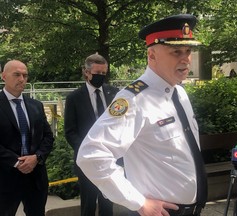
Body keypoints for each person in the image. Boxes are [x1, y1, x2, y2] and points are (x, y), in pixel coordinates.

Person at [77, 14, 208, 216]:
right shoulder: (133, 99)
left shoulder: (179, 93)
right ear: (152, 56)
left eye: (188, 51)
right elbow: (91, 156)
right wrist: (138, 202)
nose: (185, 59)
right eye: (176, 52)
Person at [64, 53, 119, 216]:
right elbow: (70, 131)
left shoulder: (114, 93)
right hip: (86, 159)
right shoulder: (74, 98)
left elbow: (120, 125)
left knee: (108, 203)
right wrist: (89, 151)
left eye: (104, 74)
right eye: (97, 73)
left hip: (110, 158)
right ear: (86, 73)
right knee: (88, 204)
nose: (100, 77)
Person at [0, 60, 54, 216]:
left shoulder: (35, 105)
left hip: (35, 177)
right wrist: (16, 162)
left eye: (25, 75)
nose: (22, 79)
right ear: (4, 76)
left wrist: (36, 158)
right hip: (5, 177)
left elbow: (48, 137)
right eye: (17, 74)